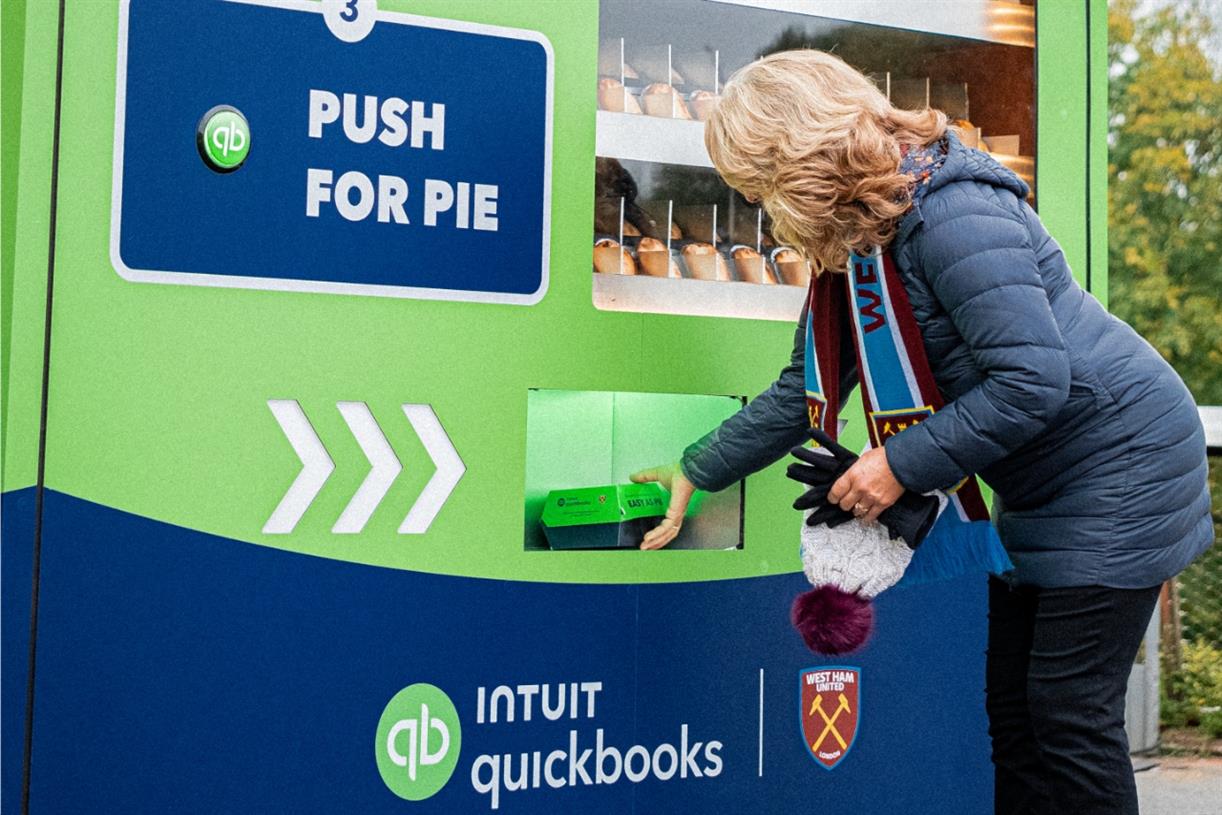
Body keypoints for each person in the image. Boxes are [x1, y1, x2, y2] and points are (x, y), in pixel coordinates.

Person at [630, 50, 1211, 815]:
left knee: (1068, 719)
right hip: (1045, 481)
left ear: (799, 149)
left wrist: (896, 464)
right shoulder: (864, 237)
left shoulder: (954, 213)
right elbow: (798, 394)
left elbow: (1033, 379)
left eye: (759, 178)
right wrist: (695, 467)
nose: (760, 201)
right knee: (1018, 717)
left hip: (1123, 465)